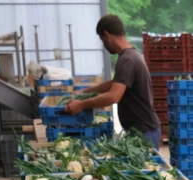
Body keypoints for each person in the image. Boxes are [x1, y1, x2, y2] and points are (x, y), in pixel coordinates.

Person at [64, 15, 161, 148]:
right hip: (143, 129)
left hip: (144, 132)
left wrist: (81, 104)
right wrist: (84, 92)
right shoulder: (132, 55)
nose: (104, 45)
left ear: (106, 35)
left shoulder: (126, 60)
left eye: (102, 40)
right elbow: (114, 83)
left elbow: (113, 96)